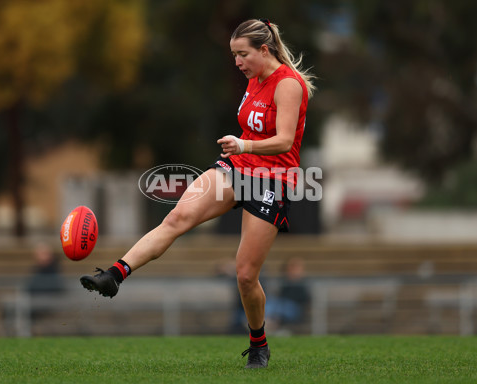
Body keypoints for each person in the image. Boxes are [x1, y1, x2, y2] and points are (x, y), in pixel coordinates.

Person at [80, 18, 315, 369]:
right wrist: (242, 150)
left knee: (245, 275)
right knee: (177, 216)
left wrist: (242, 143)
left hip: (272, 180)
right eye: (234, 54)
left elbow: (283, 140)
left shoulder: (289, 85)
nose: (237, 62)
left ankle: (258, 343)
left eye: (242, 54)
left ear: (264, 50)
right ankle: (114, 275)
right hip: (239, 168)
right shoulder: (253, 79)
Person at [265, 257, 311, 333]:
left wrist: (295, 281)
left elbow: (305, 299)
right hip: (280, 305)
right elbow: (278, 295)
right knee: (270, 303)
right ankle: (267, 324)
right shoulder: (283, 281)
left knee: (280, 307)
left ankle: (269, 325)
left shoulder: (304, 283)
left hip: (295, 309)